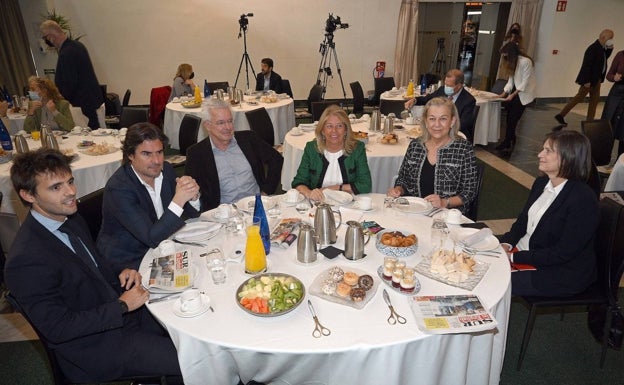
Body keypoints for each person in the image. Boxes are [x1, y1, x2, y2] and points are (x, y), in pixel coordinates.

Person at [4, 148, 183, 383]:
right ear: (28, 195)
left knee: (187, 319)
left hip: (117, 314)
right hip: (95, 347)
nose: (71, 192)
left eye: (70, 181)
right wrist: (121, 306)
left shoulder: (70, 219)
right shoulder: (25, 259)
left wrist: (122, 272)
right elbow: (58, 327)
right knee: (190, 357)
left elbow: (93, 265)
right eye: (56, 187)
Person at [500, 130, 599, 297]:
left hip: (559, 272)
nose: (539, 154)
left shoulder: (583, 199)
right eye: (542, 149)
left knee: (491, 282)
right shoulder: (541, 183)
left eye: (548, 151)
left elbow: (562, 253)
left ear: (569, 157)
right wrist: (506, 244)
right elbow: (523, 221)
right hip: (527, 253)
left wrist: (514, 258)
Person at [97, 123, 201, 273]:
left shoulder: (167, 170)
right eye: (147, 154)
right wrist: (179, 199)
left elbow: (193, 214)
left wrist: (192, 195)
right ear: (130, 155)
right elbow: (151, 238)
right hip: (130, 263)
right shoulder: (119, 189)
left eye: (159, 152)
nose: (156, 161)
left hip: (163, 248)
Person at [185, 99, 283, 210]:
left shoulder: (249, 139)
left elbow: (276, 159)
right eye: (221, 123)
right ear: (207, 125)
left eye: (230, 121)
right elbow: (190, 190)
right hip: (224, 213)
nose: (228, 127)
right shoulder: (196, 154)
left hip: (256, 206)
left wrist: (266, 191)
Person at [388, 97, 478, 214]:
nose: (437, 124)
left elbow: (469, 192)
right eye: (432, 119)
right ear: (425, 121)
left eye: (443, 119)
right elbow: (403, 179)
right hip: (413, 212)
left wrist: (445, 202)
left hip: (448, 217)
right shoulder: (416, 145)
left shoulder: (463, 149)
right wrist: (398, 190)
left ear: (452, 121)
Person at [292, 104, 372, 201]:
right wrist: (309, 193)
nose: (334, 131)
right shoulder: (311, 149)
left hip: (348, 205)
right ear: (322, 130)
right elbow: (298, 182)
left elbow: (366, 185)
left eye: (339, 126)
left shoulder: (357, 149)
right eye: (329, 126)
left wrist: (333, 188)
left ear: (346, 130)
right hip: (318, 204)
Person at [40, 20, 103, 129]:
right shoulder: (77, 45)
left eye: (45, 37)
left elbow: (69, 83)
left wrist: (59, 100)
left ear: (51, 36)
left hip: (81, 104)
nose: (46, 41)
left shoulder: (66, 53)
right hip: (89, 100)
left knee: (86, 136)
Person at [555, 29, 615, 126]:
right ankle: (561, 115)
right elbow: (586, 65)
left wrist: (610, 49)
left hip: (597, 80)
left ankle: (589, 121)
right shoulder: (593, 48)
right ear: (603, 37)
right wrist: (586, 80)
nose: (611, 40)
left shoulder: (602, 48)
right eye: (610, 38)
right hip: (590, 80)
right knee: (579, 98)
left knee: (594, 101)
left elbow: (603, 59)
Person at [405, 69, 477, 142]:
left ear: (459, 86)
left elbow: (463, 124)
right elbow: (428, 98)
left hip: (457, 134)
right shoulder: (442, 90)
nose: (446, 87)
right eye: (445, 84)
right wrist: (414, 100)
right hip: (438, 131)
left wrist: (443, 128)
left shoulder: (469, 100)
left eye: (449, 86)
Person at [495, 42, 536, 153]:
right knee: (509, 118)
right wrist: (503, 94)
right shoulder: (513, 63)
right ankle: (511, 138)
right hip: (515, 91)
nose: (504, 58)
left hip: (523, 93)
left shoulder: (526, 62)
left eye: (505, 55)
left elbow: (525, 82)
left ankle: (507, 142)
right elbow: (511, 80)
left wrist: (512, 95)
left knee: (513, 119)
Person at [601, 49, 624, 156]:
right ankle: (603, 157)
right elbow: (609, 75)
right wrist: (614, 77)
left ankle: (621, 162)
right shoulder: (621, 54)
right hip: (617, 93)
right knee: (609, 126)